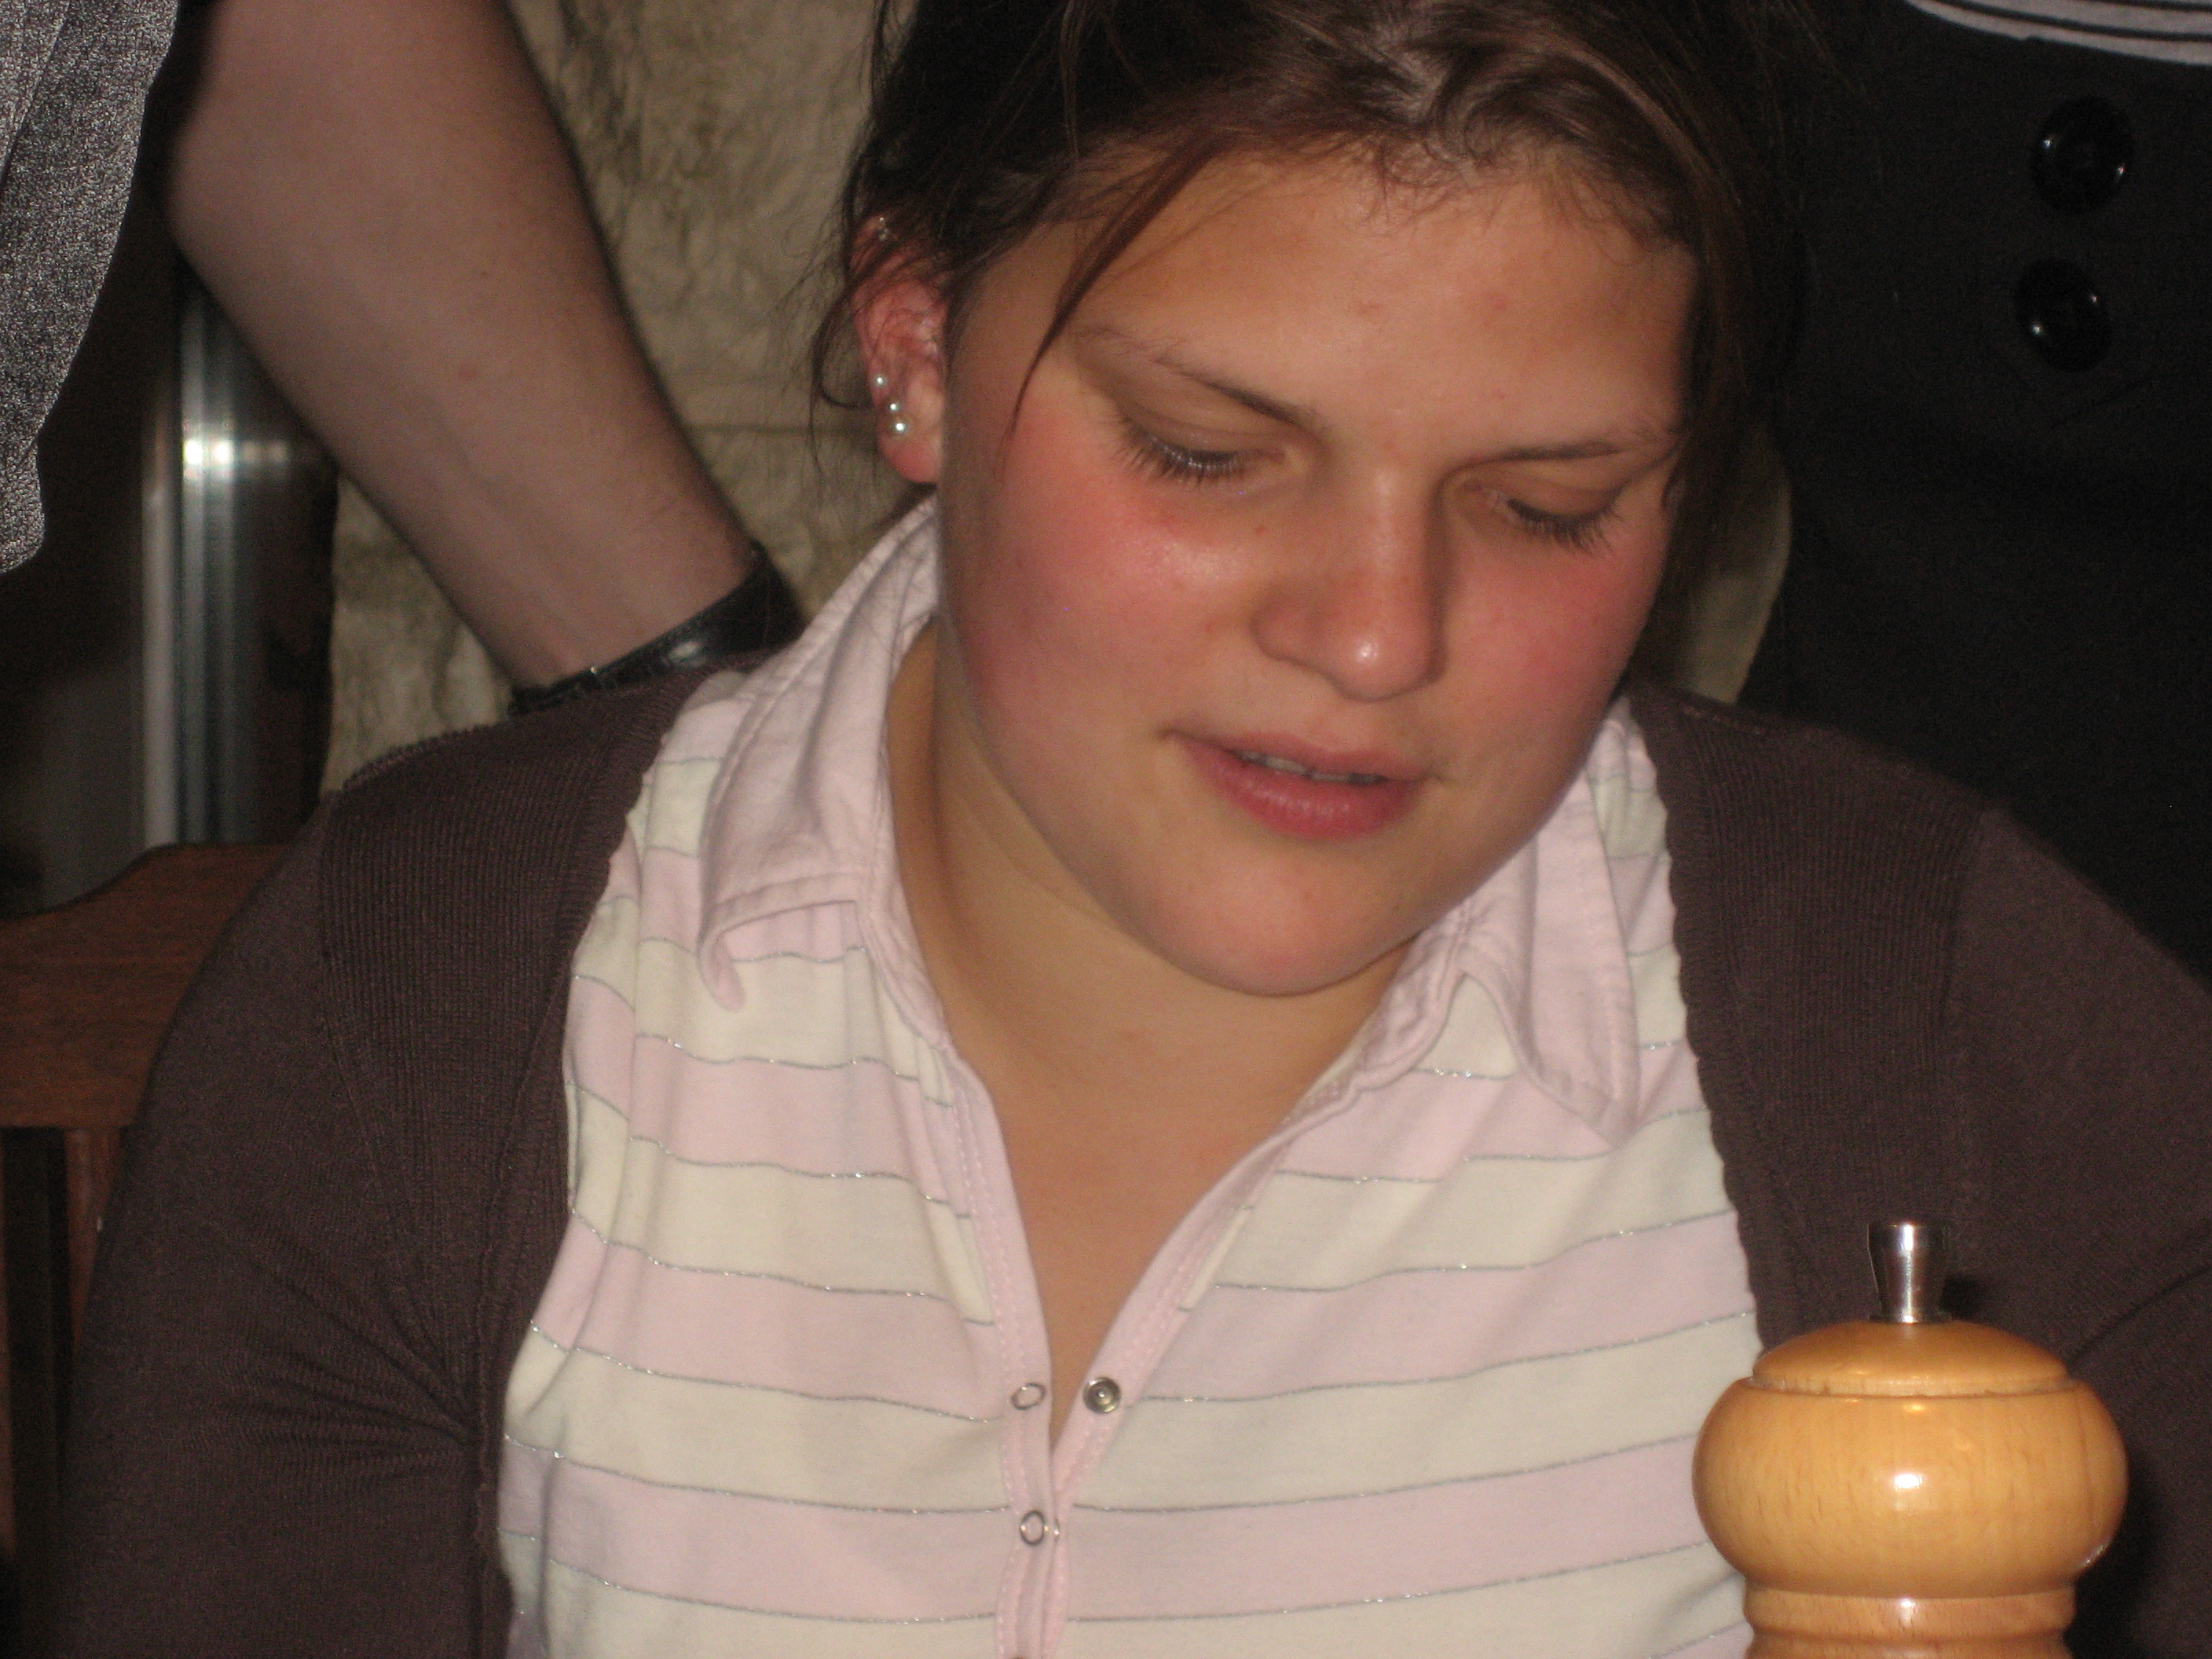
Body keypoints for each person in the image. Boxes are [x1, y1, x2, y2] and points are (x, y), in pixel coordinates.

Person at [55, 2, 2212, 1656]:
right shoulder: (430, 997)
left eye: (1548, 504)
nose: (1374, 637)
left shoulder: (1946, 1030)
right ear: (913, 343)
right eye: (1205, 453)